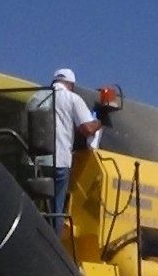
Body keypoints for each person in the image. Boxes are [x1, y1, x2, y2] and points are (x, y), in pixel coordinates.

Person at [25, 67, 101, 228]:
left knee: (33, 209)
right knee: (56, 210)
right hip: (58, 161)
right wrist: (100, 120)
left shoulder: (34, 98)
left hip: (33, 162)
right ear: (71, 84)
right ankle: (53, 247)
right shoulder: (71, 98)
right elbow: (87, 130)